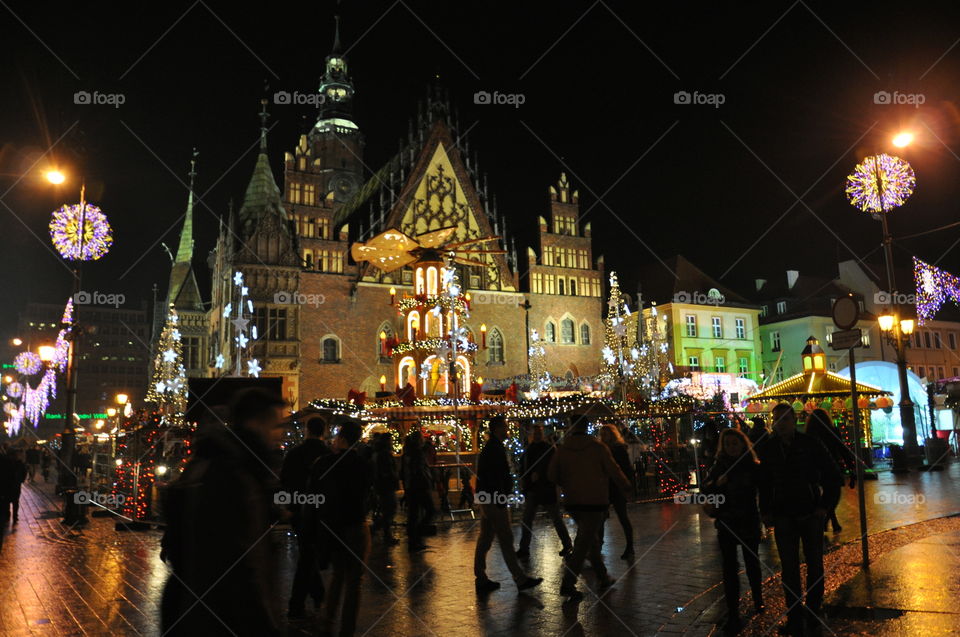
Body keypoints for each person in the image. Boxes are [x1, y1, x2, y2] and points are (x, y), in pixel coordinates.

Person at [160, 389, 286, 636]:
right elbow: (237, 565)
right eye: (276, 425)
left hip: (197, 612)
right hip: (215, 619)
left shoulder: (221, 463)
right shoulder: (235, 473)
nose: (279, 434)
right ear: (257, 423)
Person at [759, 404, 840, 637]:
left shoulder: (809, 444)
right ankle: (794, 615)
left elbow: (832, 476)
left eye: (785, 419)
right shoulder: (769, 448)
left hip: (809, 512)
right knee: (789, 568)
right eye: (777, 419)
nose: (780, 423)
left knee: (815, 563)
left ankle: (813, 610)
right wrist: (765, 510)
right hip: (784, 515)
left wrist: (824, 506)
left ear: (794, 420)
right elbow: (763, 483)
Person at [548, 415, 630, 601]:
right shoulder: (597, 447)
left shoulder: (563, 449)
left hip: (573, 500)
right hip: (595, 500)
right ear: (587, 427)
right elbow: (613, 469)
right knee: (584, 543)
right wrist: (625, 486)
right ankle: (568, 583)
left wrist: (567, 483)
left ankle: (602, 577)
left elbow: (552, 474)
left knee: (590, 540)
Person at [306, 421, 371, 637]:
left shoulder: (323, 464)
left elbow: (313, 496)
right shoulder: (361, 464)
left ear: (341, 438)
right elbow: (367, 494)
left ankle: (327, 620)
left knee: (337, 575)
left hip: (332, 526)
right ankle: (347, 629)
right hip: (355, 525)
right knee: (354, 582)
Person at [701, 428, 764, 635]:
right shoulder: (719, 466)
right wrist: (716, 485)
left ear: (743, 444)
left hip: (748, 520)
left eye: (734, 443)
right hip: (727, 522)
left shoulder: (753, 467)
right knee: (729, 568)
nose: (731, 447)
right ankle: (733, 611)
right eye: (727, 444)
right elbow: (705, 489)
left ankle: (758, 599)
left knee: (751, 561)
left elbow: (763, 488)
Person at [473, 416, 543, 593]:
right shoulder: (494, 449)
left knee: (486, 538)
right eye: (504, 427)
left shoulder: (492, 447)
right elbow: (495, 477)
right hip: (495, 499)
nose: (507, 430)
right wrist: (501, 498)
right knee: (505, 538)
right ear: (497, 429)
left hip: (488, 498)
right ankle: (519, 579)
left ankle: (481, 577)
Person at [280, 414, 331, 619]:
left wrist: (290, 505)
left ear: (307, 430)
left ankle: (306, 599)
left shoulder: (294, 454)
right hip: (319, 510)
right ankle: (306, 600)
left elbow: (285, 480)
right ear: (324, 431)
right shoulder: (328, 455)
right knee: (308, 556)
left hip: (299, 508)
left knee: (307, 554)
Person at [517, 424, 572, 559]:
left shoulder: (545, 449)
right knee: (530, 519)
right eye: (535, 433)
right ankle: (524, 548)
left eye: (538, 432)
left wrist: (536, 476)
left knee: (553, 518)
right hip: (536, 489)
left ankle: (567, 544)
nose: (536, 435)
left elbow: (551, 467)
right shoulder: (533, 449)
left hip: (544, 488)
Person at [805, 409, 854, 533]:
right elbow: (842, 449)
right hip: (832, 467)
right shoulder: (832, 431)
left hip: (815, 468)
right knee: (833, 494)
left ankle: (829, 521)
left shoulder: (810, 433)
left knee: (827, 495)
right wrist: (851, 467)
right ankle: (827, 520)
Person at [598, 424, 635, 559]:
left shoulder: (618, 449)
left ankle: (630, 546)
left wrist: (625, 484)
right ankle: (599, 545)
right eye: (602, 434)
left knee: (622, 516)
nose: (603, 437)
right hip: (605, 487)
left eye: (605, 434)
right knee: (600, 518)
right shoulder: (601, 449)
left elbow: (625, 469)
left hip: (616, 487)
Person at [401, 431, 434, 552]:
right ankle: (417, 536)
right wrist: (426, 483)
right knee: (429, 510)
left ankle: (414, 540)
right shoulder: (417, 453)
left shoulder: (407, 453)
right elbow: (419, 471)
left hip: (411, 487)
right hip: (419, 487)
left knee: (413, 514)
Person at [372, 433, 400, 545]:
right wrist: (392, 477)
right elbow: (386, 471)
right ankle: (382, 531)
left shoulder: (380, 453)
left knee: (388, 509)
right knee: (390, 509)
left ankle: (379, 529)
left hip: (384, 485)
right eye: (390, 440)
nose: (392, 442)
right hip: (386, 486)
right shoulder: (384, 455)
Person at [5, 449, 27, 524]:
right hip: (12, 484)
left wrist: (21, 480)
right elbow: (24, 472)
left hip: (13, 484)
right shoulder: (18, 463)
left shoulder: (17, 464)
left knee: (12, 501)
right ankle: (13, 516)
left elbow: (24, 472)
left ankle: (12, 515)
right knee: (13, 501)